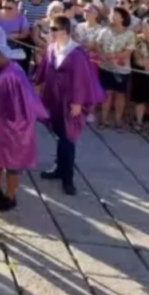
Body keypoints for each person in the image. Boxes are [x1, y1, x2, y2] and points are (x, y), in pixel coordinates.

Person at [36, 15, 99, 196]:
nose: (50, 33)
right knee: (60, 135)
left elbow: (81, 80)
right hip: (55, 98)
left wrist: (78, 102)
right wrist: (38, 84)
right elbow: (45, 68)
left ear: (64, 31)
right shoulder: (52, 48)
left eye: (54, 29)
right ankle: (59, 169)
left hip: (70, 102)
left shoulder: (77, 54)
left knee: (68, 138)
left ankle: (68, 178)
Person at [0, 46, 48, 212]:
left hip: (15, 128)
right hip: (4, 124)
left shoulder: (8, 75)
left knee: (12, 164)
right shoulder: (13, 66)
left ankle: (10, 197)